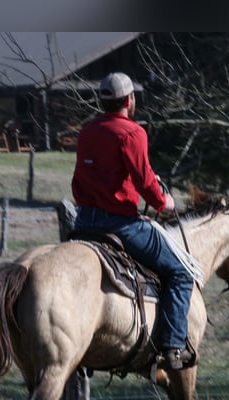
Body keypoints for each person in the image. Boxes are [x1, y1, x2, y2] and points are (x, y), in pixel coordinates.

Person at [71, 72, 194, 370]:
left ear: (103, 101)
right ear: (129, 100)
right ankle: (173, 347)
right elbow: (144, 182)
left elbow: (78, 182)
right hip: (120, 226)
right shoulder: (132, 133)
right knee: (181, 274)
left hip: (84, 222)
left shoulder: (86, 132)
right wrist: (164, 202)